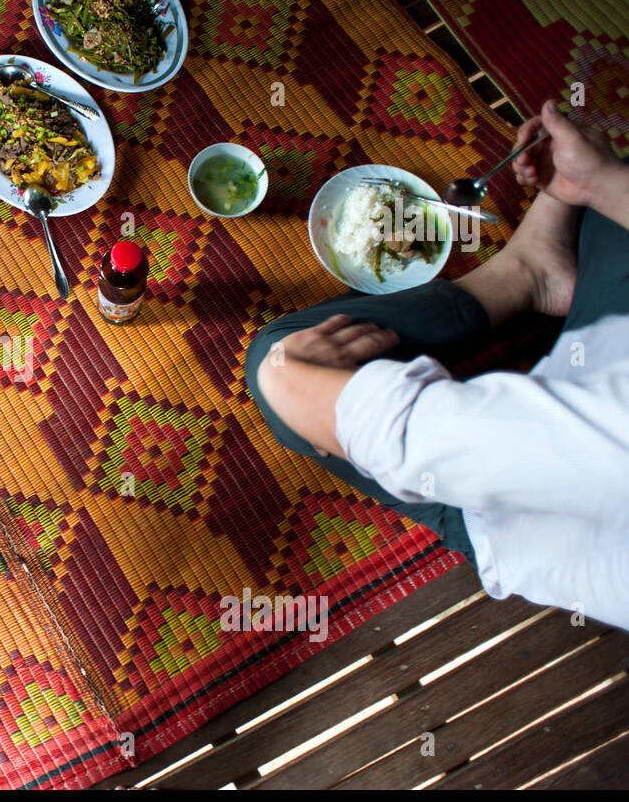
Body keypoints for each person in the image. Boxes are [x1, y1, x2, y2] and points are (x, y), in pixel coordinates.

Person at [246, 100, 629, 630]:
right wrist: (605, 183)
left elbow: (399, 432)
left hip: (494, 515)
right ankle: (539, 270)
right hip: (606, 348)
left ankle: (525, 274)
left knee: (277, 354)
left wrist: (286, 379)